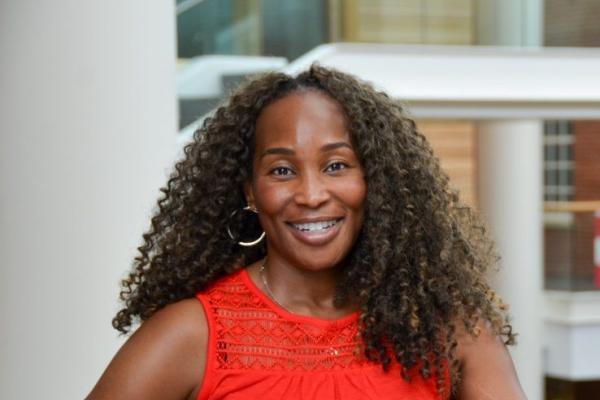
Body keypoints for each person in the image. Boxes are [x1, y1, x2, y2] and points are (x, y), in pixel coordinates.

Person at [87, 65, 526, 400]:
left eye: (336, 166)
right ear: (252, 193)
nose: (311, 194)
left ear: (374, 181)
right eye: (282, 170)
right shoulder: (192, 335)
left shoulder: (447, 329)